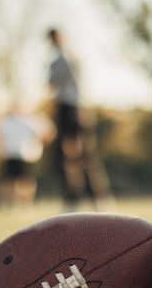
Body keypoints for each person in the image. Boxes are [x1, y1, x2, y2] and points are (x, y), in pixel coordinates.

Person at [46, 28, 113, 212]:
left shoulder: (59, 59)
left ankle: (72, 200)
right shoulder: (76, 56)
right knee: (87, 157)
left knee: (66, 158)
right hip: (83, 108)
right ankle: (101, 199)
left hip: (68, 109)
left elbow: (52, 84)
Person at [0, 102, 54, 212]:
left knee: (25, 181)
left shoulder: (31, 120)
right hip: (10, 154)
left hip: (26, 155)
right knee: (8, 180)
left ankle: (23, 204)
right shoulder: (7, 121)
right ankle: (7, 204)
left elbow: (48, 134)